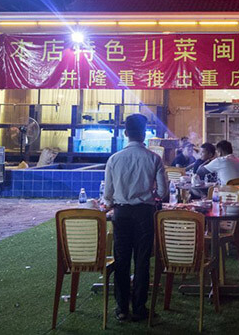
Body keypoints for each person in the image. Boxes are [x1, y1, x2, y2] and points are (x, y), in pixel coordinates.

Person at [103, 114, 167, 322]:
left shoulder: (114, 159)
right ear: (144, 133)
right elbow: (163, 192)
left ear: (125, 133)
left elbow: (108, 195)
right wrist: (150, 195)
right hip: (144, 214)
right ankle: (140, 308)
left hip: (120, 215)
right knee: (142, 261)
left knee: (121, 260)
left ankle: (122, 309)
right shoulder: (153, 158)